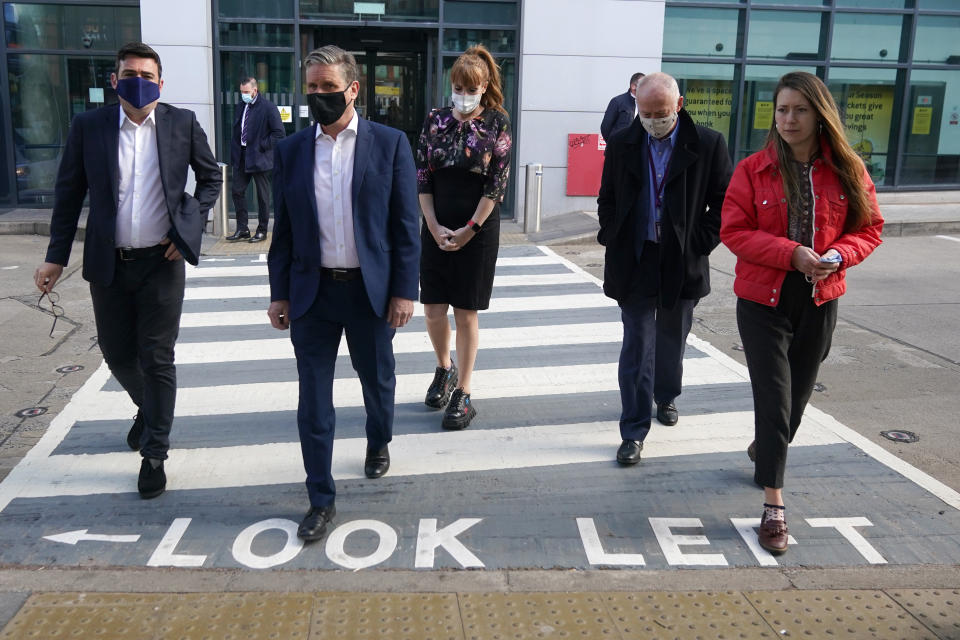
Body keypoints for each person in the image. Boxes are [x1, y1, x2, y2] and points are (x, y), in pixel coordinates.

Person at [34, 42, 221, 499]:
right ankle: (149, 410)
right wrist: (56, 256)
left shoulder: (182, 123)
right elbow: (68, 192)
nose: (139, 81)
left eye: (147, 74)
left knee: (157, 357)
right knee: (118, 354)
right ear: (115, 80)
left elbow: (210, 177)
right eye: (129, 73)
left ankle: (155, 452)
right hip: (109, 264)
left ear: (161, 81)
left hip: (162, 263)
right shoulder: (89, 126)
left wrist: (187, 231)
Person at [720, 71, 883, 556]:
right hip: (762, 299)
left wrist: (840, 255)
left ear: (819, 114)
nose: (789, 119)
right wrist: (792, 253)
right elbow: (734, 231)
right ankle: (774, 506)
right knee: (774, 398)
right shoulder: (753, 169)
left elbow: (870, 228)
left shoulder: (847, 168)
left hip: (819, 298)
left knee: (794, 403)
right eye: (782, 109)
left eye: (800, 110)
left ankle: (766, 450)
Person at [267, 45, 420, 542]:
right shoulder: (291, 151)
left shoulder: (391, 143)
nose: (319, 96)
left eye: (328, 88)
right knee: (313, 401)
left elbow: (404, 227)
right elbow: (283, 230)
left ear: (353, 89)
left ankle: (379, 439)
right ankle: (320, 499)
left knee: (378, 382)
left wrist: (404, 291)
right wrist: (279, 293)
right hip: (312, 294)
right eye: (312, 88)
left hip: (369, 293)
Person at [597, 72, 732, 465]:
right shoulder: (623, 143)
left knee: (671, 342)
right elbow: (607, 196)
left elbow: (724, 203)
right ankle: (633, 429)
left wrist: (698, 244)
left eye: (661, 113)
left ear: (679, 105)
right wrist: (612, 234)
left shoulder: (707, 144)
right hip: (635, 258)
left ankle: (667, 394)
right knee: (638, 345)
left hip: (681, 258)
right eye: (646, 113)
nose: (653, 121)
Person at [416, 44, 511, 430]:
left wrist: (470, 230)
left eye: (471, 88)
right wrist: (434, 225)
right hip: (436, 224)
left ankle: (465, 391)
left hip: (478, 228)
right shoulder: (435, 120)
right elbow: (422, 176)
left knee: (465, 311)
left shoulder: (497, 124)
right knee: (434, 308)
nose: (463, 94)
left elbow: (496, 185)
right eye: (457, 86)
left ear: (484, 85)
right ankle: (444, 367)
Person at [226, 76, 285, 243]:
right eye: (241, 92)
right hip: (242, 156)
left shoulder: (268, 108)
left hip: (260, 158)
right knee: (237, 191)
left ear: (255, 90)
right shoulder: (241, 106)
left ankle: (262, 230)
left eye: (246, 92)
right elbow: (238, 129)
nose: (243, 95)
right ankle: (242, 228)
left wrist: (261, 146)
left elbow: (279, 134)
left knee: (262, 196)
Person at [601, 72, 644, 141]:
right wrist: (613, 145)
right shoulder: (617, 101)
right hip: (619, 148)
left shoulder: (647, 104)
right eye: (643, 84)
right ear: (633, 86)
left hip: (638, 148)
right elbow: (605, 127)